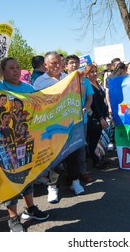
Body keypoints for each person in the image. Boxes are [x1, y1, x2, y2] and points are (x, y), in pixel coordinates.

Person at [0, 57, 49, 232]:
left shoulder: (28, 88)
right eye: (11, 68)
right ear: (2, 71)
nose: (16, 70)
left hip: (25, 140)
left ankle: (31, 208)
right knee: (11, 178)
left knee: (27, 174)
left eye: (18, 67)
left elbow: (40, 108)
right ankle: (12, 217)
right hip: (7, 141)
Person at [33, 51, 84, 203]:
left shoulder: (67, 78)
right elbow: (37, 105)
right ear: (45, 65)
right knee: (54, 157)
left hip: (69, 123)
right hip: (51, 126)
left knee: (72, 154)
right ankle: (53, 186)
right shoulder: (39, 82)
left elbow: (79, 95)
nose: (57, 66)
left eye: (59, 63)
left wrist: (80, 79)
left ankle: (74, 181)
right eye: (53, 63)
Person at [65, 55, 94, 183]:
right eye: (71, 63)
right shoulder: (62, 81)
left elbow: (89, 98)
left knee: (81, 147)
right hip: (65, 121)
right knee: (66, 149)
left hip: (82, 120)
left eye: (76, 63)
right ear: (65, 66)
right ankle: (69, 175)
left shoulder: (85, 81)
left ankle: (82, 172)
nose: (74, 65)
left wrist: (86, 108)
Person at [85, 64, 109, 169]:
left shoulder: (97, 84)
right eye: (91, 72)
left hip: (102, 115)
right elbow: (94, 105)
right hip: (94, 117)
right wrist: (101, 118)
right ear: (87, 73)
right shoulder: (88, 85)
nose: (94, 74)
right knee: (94, 141)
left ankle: (100, 159)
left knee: (100, 139)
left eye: (95, 71)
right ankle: (96, 162)